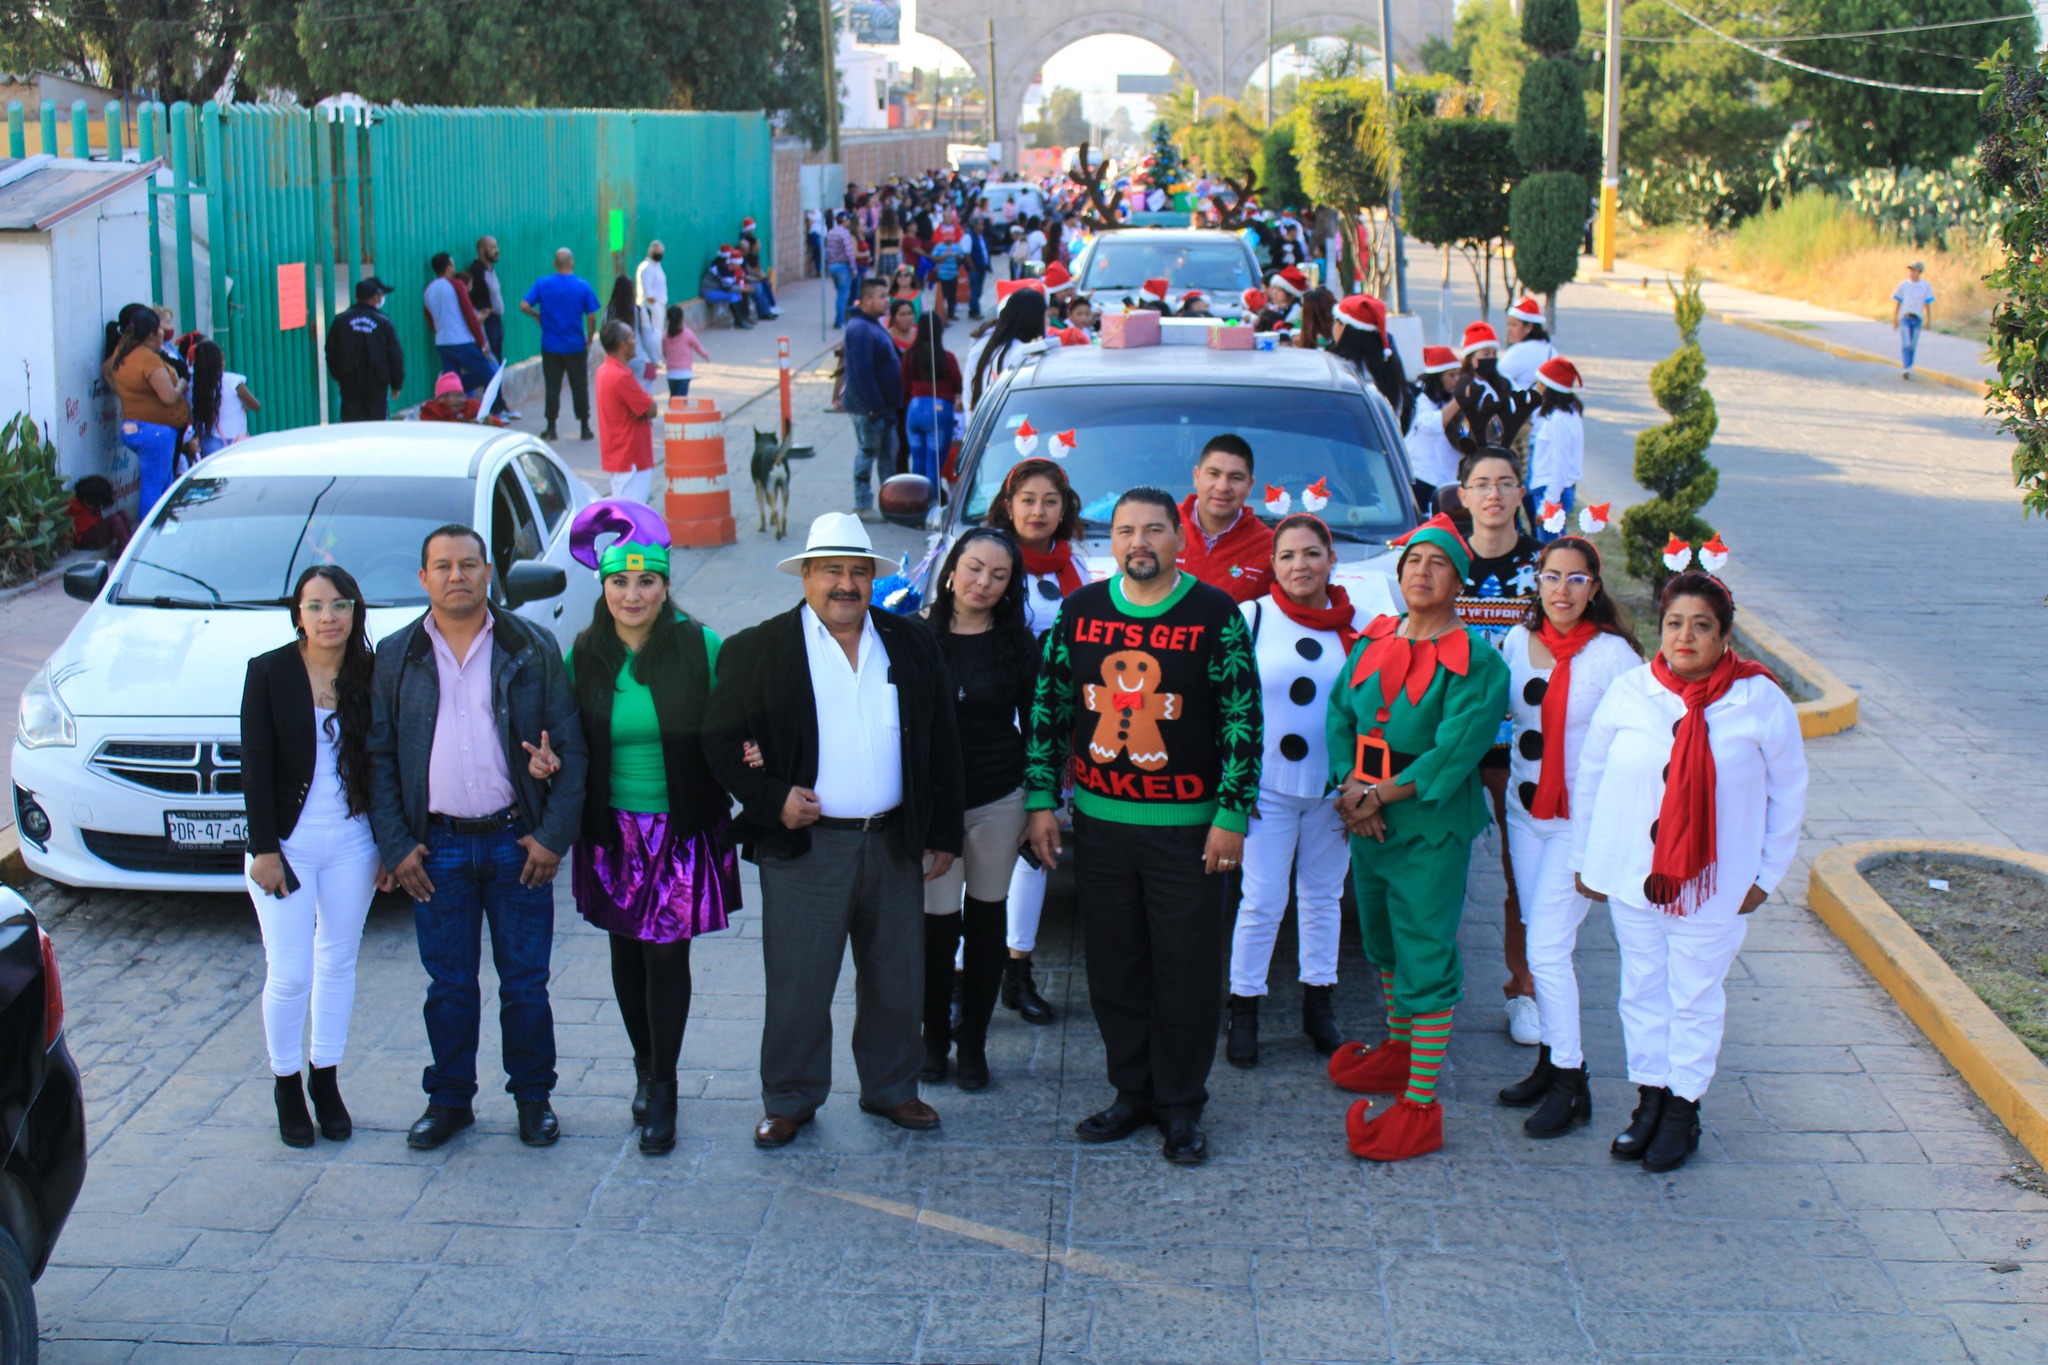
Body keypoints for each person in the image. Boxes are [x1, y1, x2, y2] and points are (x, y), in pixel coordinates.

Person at [701, 512, 966, 1149]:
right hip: (807, 849)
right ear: (807, 578)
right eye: (831, 571)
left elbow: (942, 744)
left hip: (894, 840)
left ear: (872, 578)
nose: (845, 584)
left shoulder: (910, 642)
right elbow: (718, 737)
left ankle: (893, 1089)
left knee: (897, 977)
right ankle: (790, 1099)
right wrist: (770, 800)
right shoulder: (759, 648)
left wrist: (944, 832)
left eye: (857, 571)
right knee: (799, 980)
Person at [1023, 487, 1264, 1165]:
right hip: (1101, 829)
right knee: (1115, 969)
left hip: (1189, 833)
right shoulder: (1081, 613)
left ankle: (1182, 1107)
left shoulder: (1216, 614)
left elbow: (1243, 718)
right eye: (1126, 529)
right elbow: (1050, 708)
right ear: (1112, 541)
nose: (1140, 542)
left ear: (1179, 538)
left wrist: (1232, 813)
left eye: (1154, 529)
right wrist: (1041, 799)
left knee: (1184, 971)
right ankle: (1132, 1092)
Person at [1571, 569, 1807, 1172]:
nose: (1685, 637)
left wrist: (1766, 876)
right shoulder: (1631, 692)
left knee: (1695, 996)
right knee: (1642, 989)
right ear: (1659, 629)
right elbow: (1592, 779)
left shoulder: (1759, 700)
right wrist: (1588, 861)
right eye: (1675, 623)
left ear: (1725, 636)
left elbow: (1789, 793)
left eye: (1702, 626)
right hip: (1634, 878)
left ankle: (1683, 1110)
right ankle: (1648, 1101)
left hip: (1715, 886)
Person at [523, 501, 740, 1155]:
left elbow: (733, 726)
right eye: (620, 581)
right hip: (611, 831)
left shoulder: (701, 646)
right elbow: (561, 740)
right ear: (604, 586)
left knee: (666, 952)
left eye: (647, 581)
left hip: (680, 830)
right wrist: (545, 762)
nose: (633, 593)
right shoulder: (582, 655)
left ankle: (665, 1087)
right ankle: (645, 1067)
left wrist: (752, 753)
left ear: (665, 584)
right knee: (626, 953)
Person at [367, 525, 588, 1151]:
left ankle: (533, 1099)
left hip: (516, 845)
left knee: (525, 982)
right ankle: (449, 1099)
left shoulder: (532, 646)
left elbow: (570, 749)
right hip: (436, 850)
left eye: (468, 564)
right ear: (423, 579)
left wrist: (552, 838)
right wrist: (395, 844)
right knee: (450, 986)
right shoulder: (397, 655)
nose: (456, 576)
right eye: (442, 566)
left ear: (489, 573)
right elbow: (379, 757)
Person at [1325, 513, 1511, 1161]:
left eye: (1436, 564)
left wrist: (1376, 795)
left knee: (1425, 954)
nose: (1421, 573)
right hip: (1367, 814)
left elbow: (1451, 751)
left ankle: (1421, 1102)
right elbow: (1340, 713)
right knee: (1381, 940)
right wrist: (1351, 787)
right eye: (1411, 563)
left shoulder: (1478, 661)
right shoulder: (1373, 636)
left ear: (1458, 580)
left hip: (1427, 824)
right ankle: (1400, 1050)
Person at [1492, 537, 1642, 1137]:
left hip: (1582, 824)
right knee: (1538, 941)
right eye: (1551, 577)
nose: (1562, 590)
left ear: (1594, 588)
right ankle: (1550, 1062)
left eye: (1575, 579)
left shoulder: (1613, 658)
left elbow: (1643, 743)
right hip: (1526, 814)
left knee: (1549, 951)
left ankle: (1572, 1083)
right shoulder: (1515, 643)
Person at [240, 565, 383, 1149]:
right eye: (317, 606)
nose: (330, 617)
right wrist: (265, 849)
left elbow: (386, 761)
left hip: (354, 842)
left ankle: (326, 1077)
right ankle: (286, 1082)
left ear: (355, 611)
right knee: (291, 970)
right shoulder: (268, 672)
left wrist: (389, 847)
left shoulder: (370, 674)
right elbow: (254, 765)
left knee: (338, 961)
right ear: (298, 612)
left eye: (340, 605)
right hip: (287, 847)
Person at [1225, 513, 1367, 1068]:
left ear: (1331, 560)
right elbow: (1225, 704)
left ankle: (1319, 1007)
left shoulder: (1360, 626)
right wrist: (1232, 785)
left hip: (1334, 791)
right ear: (1272, 564)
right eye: (1287, 556)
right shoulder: (1250, 618)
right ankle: (1245, 1008)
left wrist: (1361, 782)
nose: (1299, 565)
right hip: (1268, 788)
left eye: (1311, 553)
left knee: (1323, 898)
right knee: (1261, 900)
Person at [920, 529, 1037, 1089]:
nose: (983, 583)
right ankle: (932, 1039)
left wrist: (1042, 806)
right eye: (973, 568)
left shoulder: (1018, 644)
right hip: (933, 807)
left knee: (988, 923)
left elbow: (1040, 730)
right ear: (950, 570)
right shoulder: (915, 636)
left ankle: (973, 1044)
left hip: (998, 798)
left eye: (998, 575)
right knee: (935, 929)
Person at [986, 458, 1087, 1018]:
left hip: (1052, 733)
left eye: (1050, 500)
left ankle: (1017, 970)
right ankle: (958, 977)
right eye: (1027, 499)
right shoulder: (987, 558)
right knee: (973, 850)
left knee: (1035, 849)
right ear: (1008, 503)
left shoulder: (1080, 568)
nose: (1038, 511)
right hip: (994, 726)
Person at [1453, 447, 1545, 1043]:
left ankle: (1526, 989)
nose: (1493, 494)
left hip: (1522, 745)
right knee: (1431, 870)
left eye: (1505, 484)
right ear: (1461, 495)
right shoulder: (1438, 557)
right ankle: (1423, 991)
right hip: (1451, 741)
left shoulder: (1546, 567)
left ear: (1519, 494)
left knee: (1526, 873)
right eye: (1481, 484)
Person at [107, 307, 189, 515]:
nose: (165, 332)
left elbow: (106, 371)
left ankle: (158, 533)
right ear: (152, 334)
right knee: (156, 486)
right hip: (155, 431)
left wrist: (126, 396)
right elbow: (169, 396)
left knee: (158, 482)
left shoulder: (122, 354)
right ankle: (150, 537)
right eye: (161, 329)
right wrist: (181, 384)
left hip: (134, 427)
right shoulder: (147, 359)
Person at [1177, 433, 1275, 604]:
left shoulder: (1270, 547)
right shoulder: (1159, 523)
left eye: (1235, 477)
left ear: (1250, 485)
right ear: (1196, 476)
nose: (1222, 487)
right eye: (1214, 474)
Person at [520, 249, 601, 443]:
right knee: (579, 386)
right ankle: (584, 427)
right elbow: (591, 316)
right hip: (575, 345)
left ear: (554, 264)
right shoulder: (583, 286)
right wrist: (589, 339)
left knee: (552, 386)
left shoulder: (543, 284)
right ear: (571, 264)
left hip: (551, 345)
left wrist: (536, 315)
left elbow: (523, 305)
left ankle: (551, 428)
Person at [843, 279, 903, 515]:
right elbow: (862, 371)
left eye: (887, 295)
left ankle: (890, 504)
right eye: (882, 296)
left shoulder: (872, 325)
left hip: (883, 407)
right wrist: (874, 405)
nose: (887, 300)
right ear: (867, 300)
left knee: (888, 456)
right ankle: (863, 504)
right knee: (867, 454)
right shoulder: (860, 329)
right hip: (868, 408)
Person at [594, 320, 660, 504]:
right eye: (632, 337)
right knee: (633, 519)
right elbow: (651, 409)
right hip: (631, 458)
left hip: (619, 456)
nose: (635, 341)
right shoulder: (621, 377)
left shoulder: (604, 371)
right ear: (622, 345)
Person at [326, 278, 406, 422]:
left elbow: (331, 352)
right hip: (377, 386)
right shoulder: (383, 322)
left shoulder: (341, 321)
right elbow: (395, 355)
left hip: (349, 385)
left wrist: (338, 375)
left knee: (351, 426)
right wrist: (396, 383)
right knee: (376, 426)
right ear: (375, 297)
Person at [964, 287, 1048, 418]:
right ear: (1033, 318)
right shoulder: (1021, 354)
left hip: (983, 424)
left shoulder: (989, 343)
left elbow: (969, 390)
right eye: (1045, 315)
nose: (1047, 321)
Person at [1528, 358, 1585, 542]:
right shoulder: (1567, 413)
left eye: (1539, 383)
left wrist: (1548, 505)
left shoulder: (1560, 420)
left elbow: (1559, 464)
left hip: (1552, 492)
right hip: (1554, 490)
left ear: (1548, 388)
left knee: (1551, 551)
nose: (1536, 388)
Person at [902, 312, 961, 486]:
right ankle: (931, 506)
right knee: (933, 467)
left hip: (915, 409)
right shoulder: (946, 357)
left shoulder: (909, 356)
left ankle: (914, 504)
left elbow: (904, 384)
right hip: (939, 410)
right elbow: (958, 384)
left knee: (917, 463)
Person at [424, 253, 494, 396]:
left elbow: (430, 321)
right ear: (449, 267)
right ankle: (448, 389)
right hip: (461, 340)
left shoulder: (428, 289)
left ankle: (451, 394)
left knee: (452, 377)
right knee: (489, 373)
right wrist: (482, 342)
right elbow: (469, 315)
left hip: (442, 342)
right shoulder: (456, 284)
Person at [1406, 345, 1464, 513]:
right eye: (1451, 375)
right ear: (1437, 377)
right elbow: (1432, 424)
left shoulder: (1449, 401)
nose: (1456, 380)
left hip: (1445, 479)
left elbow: (1464, 431)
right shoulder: (1421, 400)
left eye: (1458, 375)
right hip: (1421, 477)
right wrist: (1459, 400)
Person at [188, 339, 259, 455]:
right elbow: (256, 405)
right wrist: (243, 405)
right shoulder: (233, 381)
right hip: (236, 440)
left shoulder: (194, 386)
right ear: (219, 361)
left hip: (208, 442)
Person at [465, 236, 510, 413]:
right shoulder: (476, 271)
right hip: (487, 323)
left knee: (498, 364)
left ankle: (500, 404)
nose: (496, 250)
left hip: (496, 322)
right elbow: (471, 299)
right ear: (481, 250)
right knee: (491, 364)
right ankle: (493, 407)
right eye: (492, 247)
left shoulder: (490, 270)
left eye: (496, 246)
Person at [1497, 296, 1557, 392]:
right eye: (1508, 325)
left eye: (1514, 325)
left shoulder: (1519, 351)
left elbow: (1496, 379)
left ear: (1528, 327)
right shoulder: (1550, 350)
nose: (1509, 330)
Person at [66, 475, 131, 556]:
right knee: (114, 520)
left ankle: (128, 546)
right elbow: (62, 523)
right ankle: (126, 552)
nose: (98, 506)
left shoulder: (94, 504)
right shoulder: (72, 505)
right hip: (84, 539)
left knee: (123, 514)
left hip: (96, 531)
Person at [1893, 260, 1934, 378]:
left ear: (1919, 272)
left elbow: (1927, 304)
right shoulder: (1904, 285)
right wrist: (1895, 318)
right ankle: (1906, 367)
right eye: (1910, 270)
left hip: (1917, 318)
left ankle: (1909, 366)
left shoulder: (1924, 286)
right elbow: (1898, 301)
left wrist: (1928, 320)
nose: (1911, 273)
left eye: (1914, 271)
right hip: (1905, 316)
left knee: (1912, 344)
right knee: (1906, 343)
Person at [663, 304, 711, 399]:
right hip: (684, 373)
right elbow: (698, 347)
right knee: (681, 401)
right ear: (682, 318)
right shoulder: (687, 334)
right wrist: (706, 355)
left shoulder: (665, 335)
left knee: (673, 399)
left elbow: (665, 352)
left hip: (671, 373)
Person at [701, 249, 755, 330]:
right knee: (733, 296)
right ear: (733, 263)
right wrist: (744, 289)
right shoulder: (723, 269)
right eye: (738, 264)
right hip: (709, 292)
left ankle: (742, 319)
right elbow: (729, 287)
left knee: (736, 294)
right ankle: (739, 321)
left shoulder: (729, 269)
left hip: (716, 290)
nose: (740, 267)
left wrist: (743, 288)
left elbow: (731, 285)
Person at [825, 212, 861, 328]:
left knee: (839, 293)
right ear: (845, 221)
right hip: (843, 267)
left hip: (832, 266)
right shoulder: (845, 233)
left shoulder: (831, 232)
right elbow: (849, 254)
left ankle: (839, 318)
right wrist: (854, 269)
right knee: (843, 294)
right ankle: (840, 321)